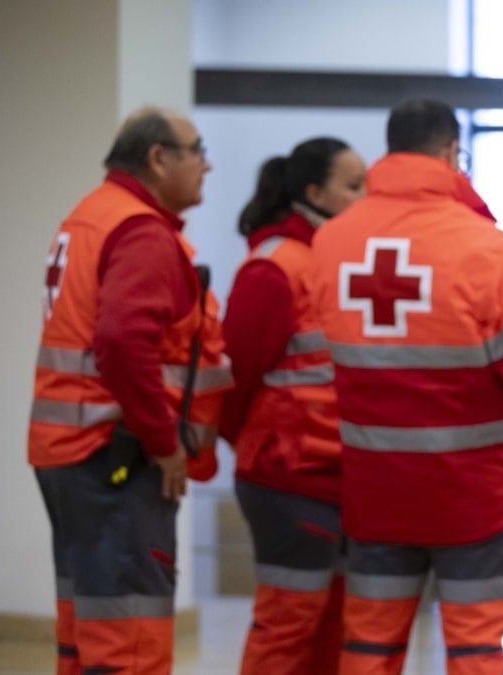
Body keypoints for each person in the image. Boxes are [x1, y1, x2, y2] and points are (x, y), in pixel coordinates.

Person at [309, 99, 503, 675]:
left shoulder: (330, 240)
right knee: (474, 649)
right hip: (473, 492)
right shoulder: (485, 245)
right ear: (452, 153)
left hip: (374, 489)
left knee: (370, 647)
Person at [28, 106, 231, 675]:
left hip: (68, 452)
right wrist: (163, 441)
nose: (207, 165)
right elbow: (122, 343)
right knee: (128, 637)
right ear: (159, 158)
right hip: (113, 456)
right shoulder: (140, 231)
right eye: (197, 151)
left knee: (85, 629)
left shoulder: (90, 216)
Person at [220, 136, 366, 674]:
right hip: (289, 474)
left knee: (335, 627)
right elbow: (235, 379)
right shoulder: (276, 265)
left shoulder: (335, 259)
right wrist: (253, 444)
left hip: (339, 473)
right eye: (354, 186)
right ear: (313, 192)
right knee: (287, 627)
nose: (366, 197)